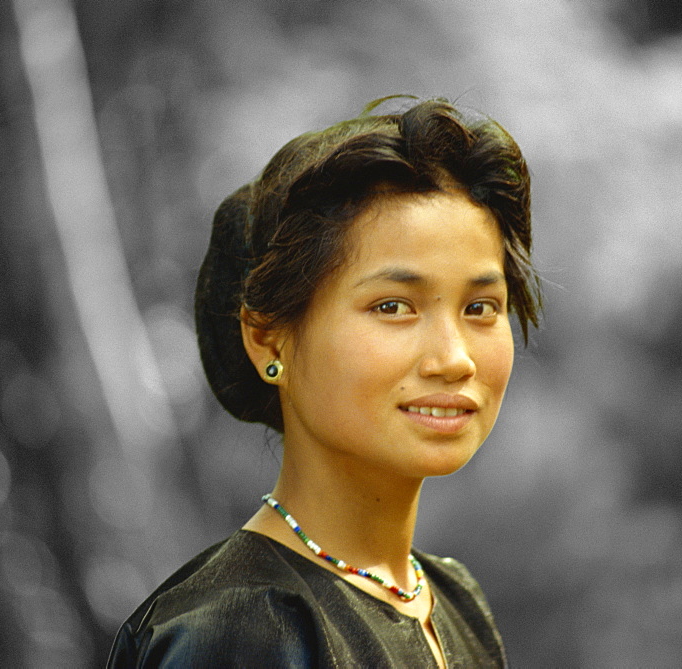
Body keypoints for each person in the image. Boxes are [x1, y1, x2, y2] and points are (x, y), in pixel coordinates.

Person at [107, 96, 541, 667]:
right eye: (393, 306)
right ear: (268, 338)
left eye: (481, 307)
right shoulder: (242, 630)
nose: (455, 358)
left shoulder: (453, 601)